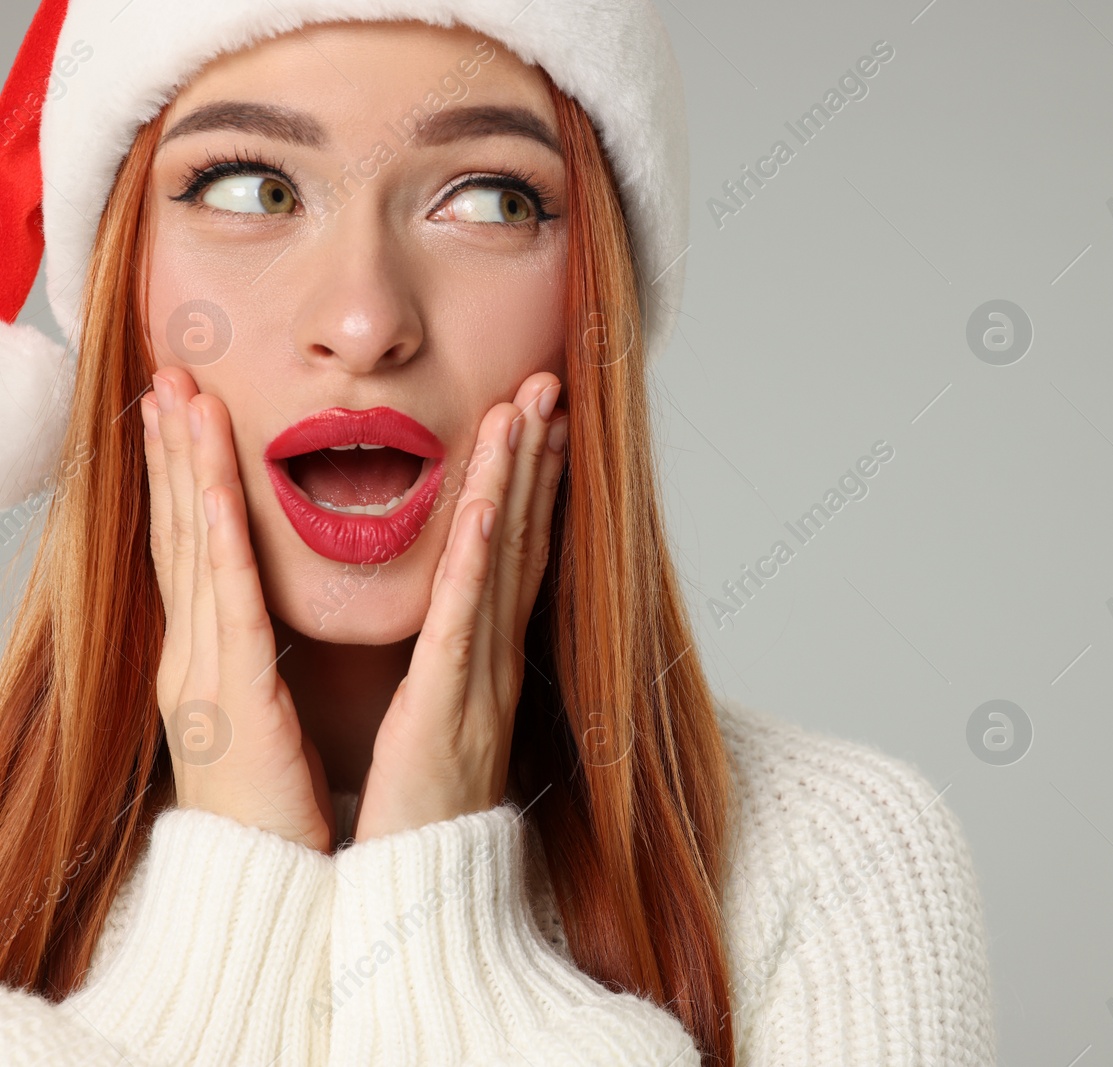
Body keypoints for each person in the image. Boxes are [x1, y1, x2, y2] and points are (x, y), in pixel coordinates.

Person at [0, 1, 997, 1064]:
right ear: (123, 294)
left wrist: (442, 904)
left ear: (593, 309)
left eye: (488, 199)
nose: (365, 319)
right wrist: (235, 880)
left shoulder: (834, 859)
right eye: (255, 188)